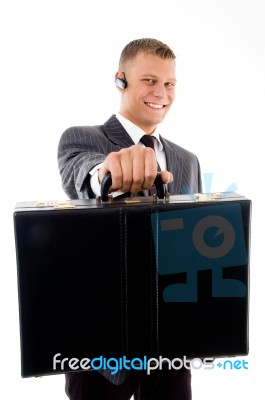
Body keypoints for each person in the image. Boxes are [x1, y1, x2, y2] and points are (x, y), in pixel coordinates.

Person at [58, 38, 202, 400]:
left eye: (169, 84)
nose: (162, 93)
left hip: (170, 347)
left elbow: (192, 253)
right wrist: (107, 171)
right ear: (120, 80)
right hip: (100, 348)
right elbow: (83, 176)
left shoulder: (187, 161)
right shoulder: (83, 138)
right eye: (149, 81)